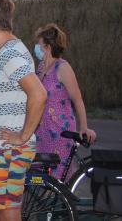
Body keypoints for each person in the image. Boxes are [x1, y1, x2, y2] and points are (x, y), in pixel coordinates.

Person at [0, 0, 47, 221]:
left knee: (6, 210)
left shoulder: (11, 54)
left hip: (8, 150)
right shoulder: (6, 51)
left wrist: (23, 135)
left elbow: (39, 94)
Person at [34, 23, 96, 179]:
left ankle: (64, 203)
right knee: (41, 177)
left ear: (47, 47)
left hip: (59, 131)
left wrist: (84, 127)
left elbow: (78, 99)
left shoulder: (62, 67)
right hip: (41, 130)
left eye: (39, 44)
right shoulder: (41, 67)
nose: (36, 47)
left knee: (59, 178)